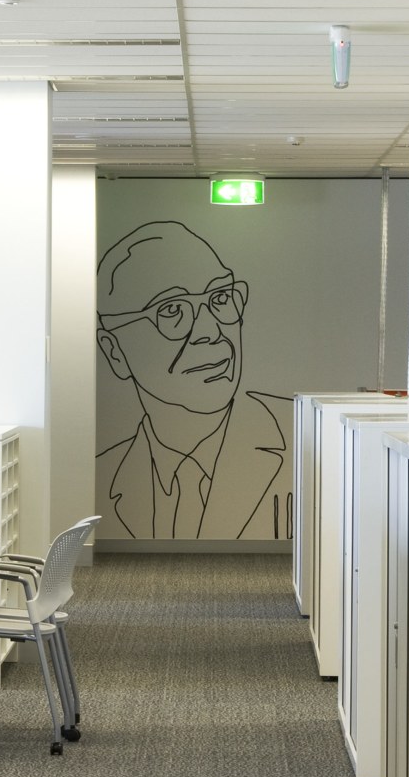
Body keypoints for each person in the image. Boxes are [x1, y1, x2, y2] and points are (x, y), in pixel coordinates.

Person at [95, 221, 292, 540]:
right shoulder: (105, 475)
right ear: (114, 350)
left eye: (220, 298)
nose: (210, 331)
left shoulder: (310, 440)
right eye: (171, 309)